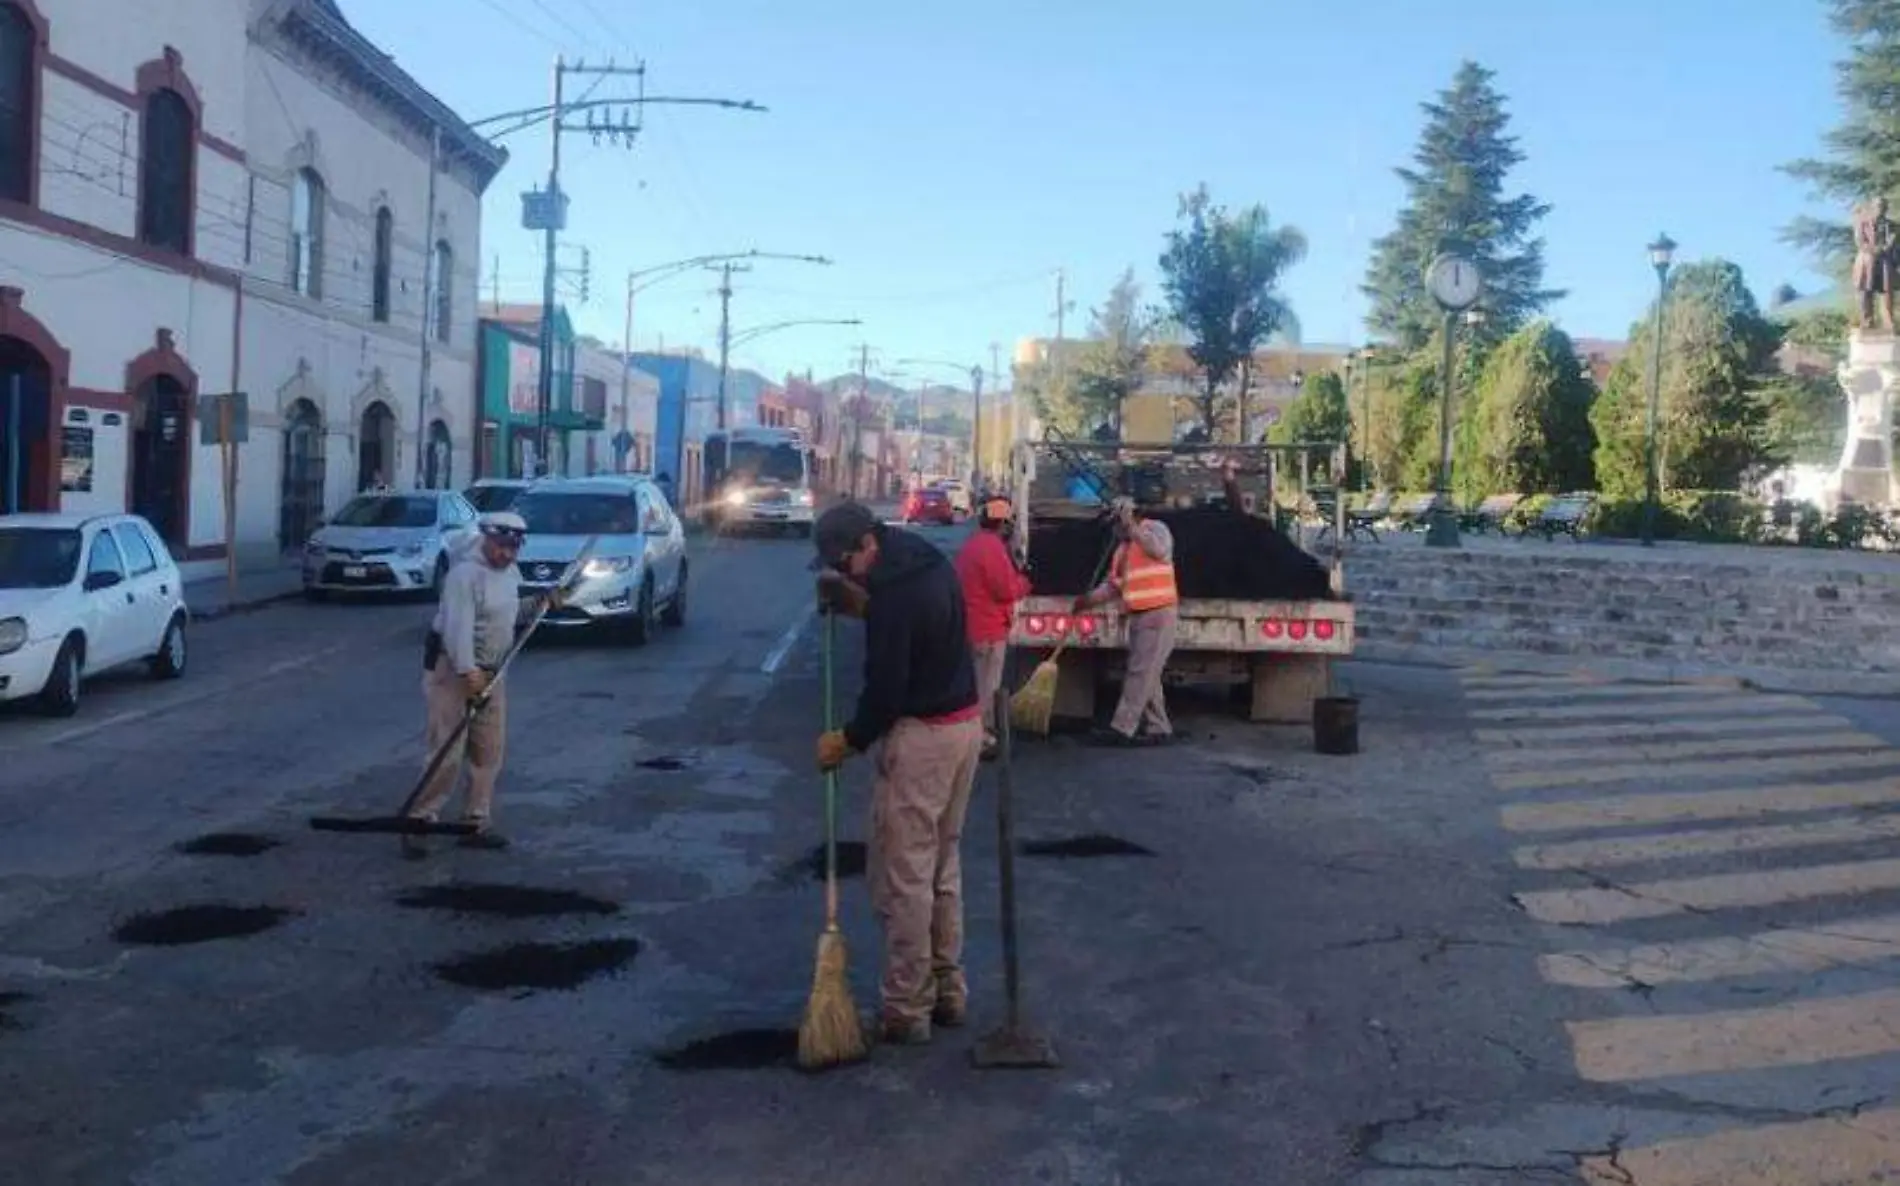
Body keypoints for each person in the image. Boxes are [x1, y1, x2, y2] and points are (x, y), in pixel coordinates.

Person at [811, 501, 983, 1045]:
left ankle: (907, 1009)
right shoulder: (921, 557)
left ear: (865, 545)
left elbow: (886, 689)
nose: (842, 574)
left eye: (844, 565)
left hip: (924, 738)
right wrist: (857, 604)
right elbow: (910, 617)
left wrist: (850, 739)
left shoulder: (897, 596)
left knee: (905, 876)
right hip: (965, 728)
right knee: (942, 865)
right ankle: (948, 990)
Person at [405, 510, 560, 856]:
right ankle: (419, 821)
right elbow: (457, 629)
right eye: (501, 546)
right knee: (447, 750)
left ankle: (475, 821)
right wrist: (468, 673)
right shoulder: (464, 575)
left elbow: (506, 614)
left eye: (513, 548)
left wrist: (538, 603)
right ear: (486, 540)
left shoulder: (510, 573)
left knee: (488, 751)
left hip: (493, 670)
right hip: (454, 671)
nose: (506, 554)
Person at [1074, 496, 1178, 747]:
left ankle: (1122, 728)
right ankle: (1159, 727)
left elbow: (1160, 551)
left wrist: (1132, 526)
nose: (1115, 529)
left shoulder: (1155, 530)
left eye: (1118, 522)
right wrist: (1087, 600)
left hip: (1158, 613)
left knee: (1139, 672)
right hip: (1139, 614)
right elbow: (1114, 587)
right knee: (1147, 673)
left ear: (1130, 516)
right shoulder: (1123, 551)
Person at [953, 495, 1031, 760]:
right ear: (1004, 524)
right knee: (987, 688)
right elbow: (1005, 590)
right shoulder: (992, 549)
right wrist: (1024, 582)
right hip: (988, 630)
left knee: (976, 685)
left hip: (974, 627)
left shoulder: (973, 546)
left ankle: (975, 735)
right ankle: (982, 740)